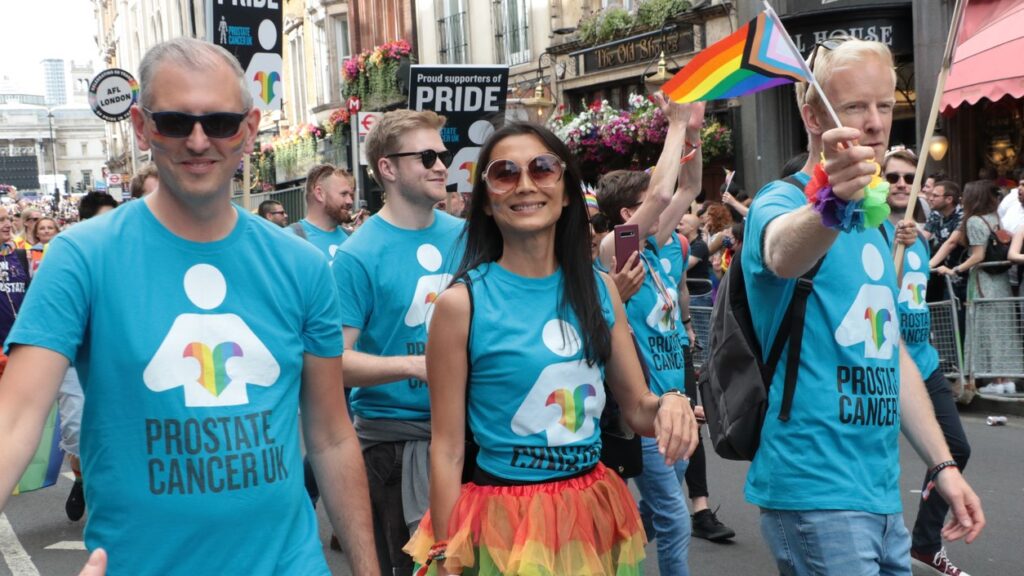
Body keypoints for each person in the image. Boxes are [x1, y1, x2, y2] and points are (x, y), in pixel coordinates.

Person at [0, 38, 378, 575]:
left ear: (248, 129)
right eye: (175, 122)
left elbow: (332, 435)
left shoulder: (301, 266)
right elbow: (14, 419)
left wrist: (366, 568)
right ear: (140, 126)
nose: (199, 141)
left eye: (220, 122)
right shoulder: (82, 256)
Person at [404, 121, 698, 575]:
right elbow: (445, 449)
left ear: (565, 194)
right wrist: (445, 554)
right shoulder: (460, 303)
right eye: (505, 173)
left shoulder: (601, 290)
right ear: (485, 201)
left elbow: (637, 409)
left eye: (543, 169)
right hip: (505, 522)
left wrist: (672, 403)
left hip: (592, 507)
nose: (525, 184)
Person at [743, 38, 983, 575]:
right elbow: (782, 252)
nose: (875, 123)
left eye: (884, 104)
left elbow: (891, 355)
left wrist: (943, 466)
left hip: (878, 492)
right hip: (813, 489)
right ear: (812, 115)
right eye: (854, 106)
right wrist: (830, 201)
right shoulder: (781, 200)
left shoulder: (876, 221)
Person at [332, 109, 464, 575]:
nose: (441, 165)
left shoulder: (469, 236)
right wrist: (414, 367)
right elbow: (335, 363)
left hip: (472, 437)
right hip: (392, 449)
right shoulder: (356, 255)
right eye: (426, 156)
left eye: (442, 154)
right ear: (387, 168)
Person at [595, 93, 708, 575]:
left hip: (676, 400)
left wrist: (696, 135)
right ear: (627, 216)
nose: (665, 209)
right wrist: (675, 124)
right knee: (675, 517)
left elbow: (689, 186)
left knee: (655, 514)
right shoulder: (615, 250)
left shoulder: (660, 250)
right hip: (644, 408)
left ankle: (609, 554)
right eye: (644, 206)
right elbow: (663, 194)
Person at [880, 149, 974, 575]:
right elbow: (880, 296)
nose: (901, 183)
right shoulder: (870, 231)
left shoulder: (919, 237)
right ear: (878, 182)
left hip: (925, 363)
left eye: (908, 177)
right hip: (885, 367)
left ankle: (923, 543)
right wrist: (894, 251)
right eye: (892, 176)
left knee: (956, 448)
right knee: (878, 462)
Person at [59, 192, 119, 522]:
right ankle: (81, 480)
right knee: (78, 436)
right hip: (72, 366)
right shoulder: (67, 261)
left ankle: (107, 500)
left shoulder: (130, 261)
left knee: (114, 436)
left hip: (114, 366)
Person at [934, 180, 1022, 395]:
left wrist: (954, 269)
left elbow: (978, 256)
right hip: (1000, 280)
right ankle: (1005, 379)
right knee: (1002, 328)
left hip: (983, 282)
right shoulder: (994, 217)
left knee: (986, 329)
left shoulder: (974, 221)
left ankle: (996, 380)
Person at [286, 163, 354, 258]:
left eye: (351, 195)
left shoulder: (352, 238)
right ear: (319, 194)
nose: (350, 201)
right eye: (343, 194)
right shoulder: (288, 239)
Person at [922, 180, 964, 302]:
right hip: (943, 271)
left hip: (961, 272)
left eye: (935, 196)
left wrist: (928, 266)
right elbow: (924, 236)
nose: (930, 198)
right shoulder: (935, 213)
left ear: (949, 199)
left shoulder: (963, 215)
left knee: (959, 314)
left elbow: (951, 243)